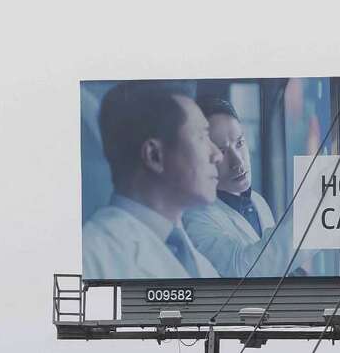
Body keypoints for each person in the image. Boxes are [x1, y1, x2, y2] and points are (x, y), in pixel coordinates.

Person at [83, 82, 221, 280]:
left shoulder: (196, 261)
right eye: (202, 136)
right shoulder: (91, 257)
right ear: (154, 155)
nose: (217, 155)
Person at [184, 98, 287, 279]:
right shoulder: (194, 219)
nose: (238, 162)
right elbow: (244, 268)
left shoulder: (258, 201)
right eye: (222, 151)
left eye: (239, 143)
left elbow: (275, 261)